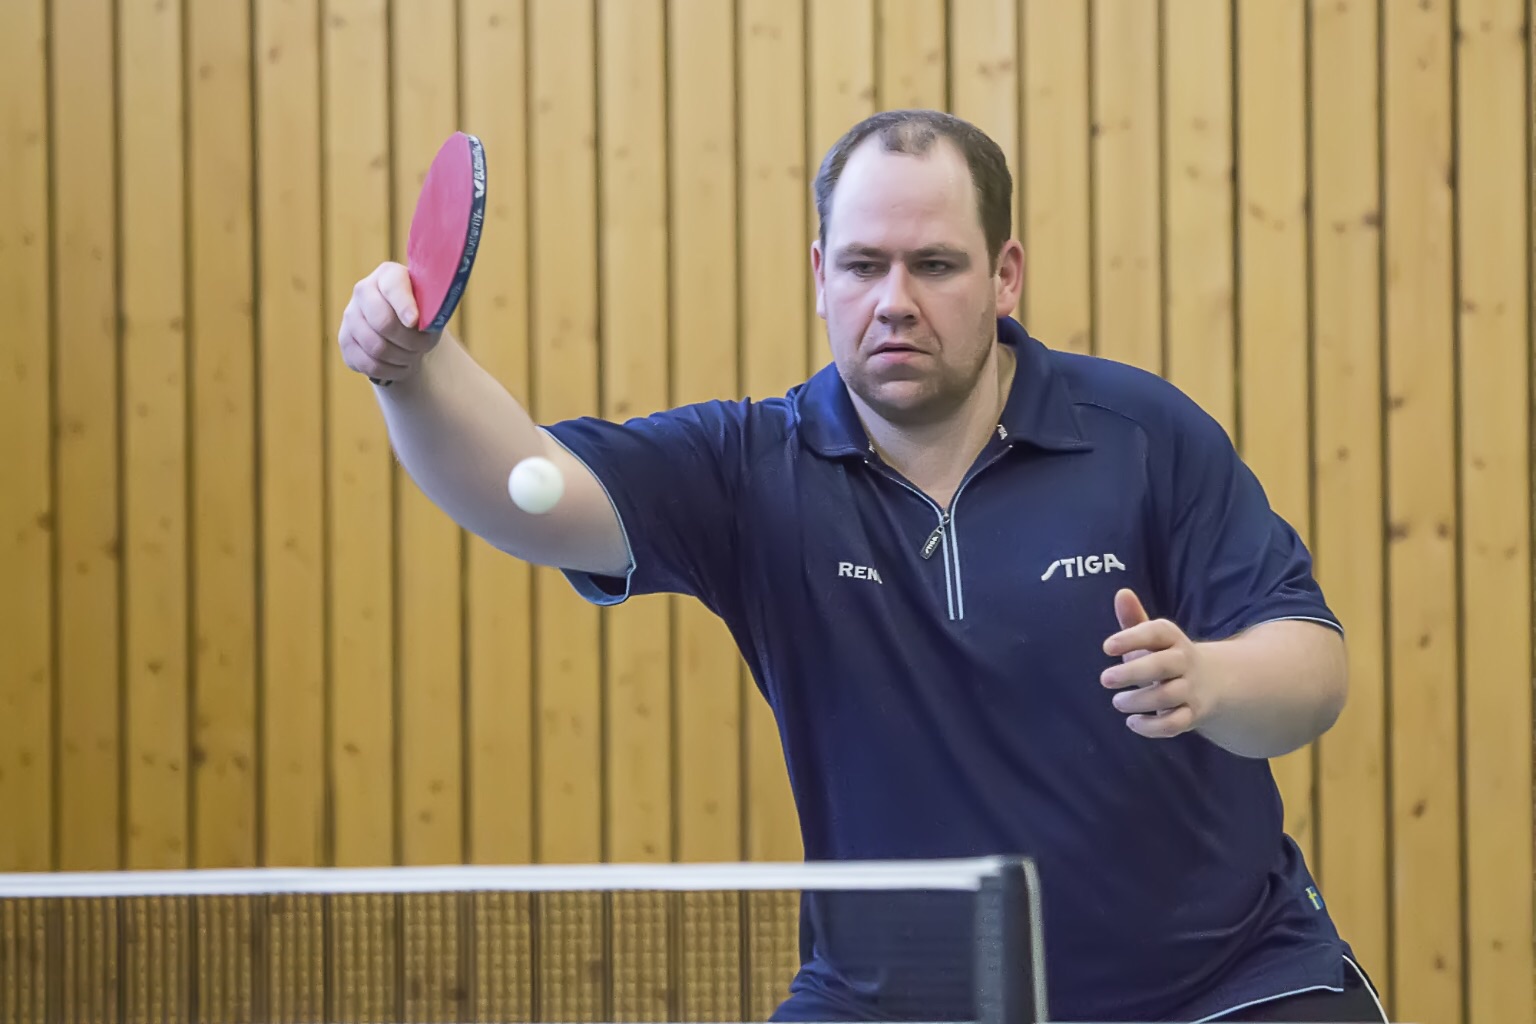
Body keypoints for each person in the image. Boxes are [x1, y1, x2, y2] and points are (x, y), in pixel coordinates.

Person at [337, 110, 1387, 1023]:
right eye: (863, 264)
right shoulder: (752, 470)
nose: (895, 299)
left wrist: (1211, 681)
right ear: (820, 274)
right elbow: (535, 493)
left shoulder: (1142, 435)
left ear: (1003, 274)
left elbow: (1311, 667)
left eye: (934, 265)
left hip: (1223, 990)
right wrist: (411, 371)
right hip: (896, 1000)